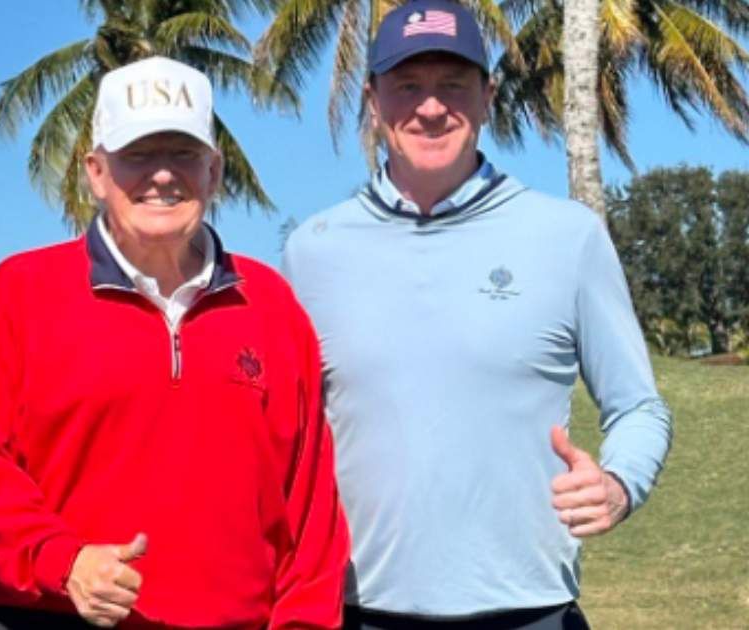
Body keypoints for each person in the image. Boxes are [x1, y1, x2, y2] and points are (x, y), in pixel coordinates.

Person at [282, 1, 673, 627]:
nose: (431, 107)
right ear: (373, 100)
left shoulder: (566, 236)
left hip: (532, 612)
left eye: (453, 85)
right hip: (361, 613)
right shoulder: (312, 250)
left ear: (488, 96)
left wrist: (619, 483)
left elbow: (639, 406)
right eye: (408, 85)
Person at [0, 56, 349, 629]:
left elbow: (311, 511)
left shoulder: (272, 306)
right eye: (138, 155)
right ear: (96, 172)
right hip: (55, 616)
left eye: (183, 153)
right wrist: (64, 562)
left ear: (214, 171)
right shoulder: (19, 295)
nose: (162, 175)